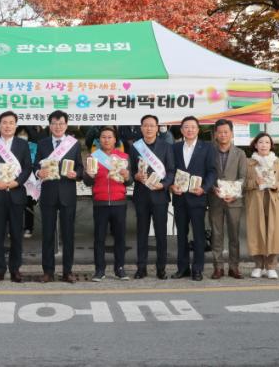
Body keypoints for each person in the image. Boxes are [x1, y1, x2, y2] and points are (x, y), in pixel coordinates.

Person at [0, 111, 32, 283]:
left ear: (16, 126)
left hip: (16, 195)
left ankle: (15, 269)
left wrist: (17, 182)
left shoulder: (22, 144)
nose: (8, 126)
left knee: (17, 234)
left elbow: (28, 167)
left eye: (11, 123)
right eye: (4, 122)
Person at [33, 110, 83, 284]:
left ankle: (67, 271)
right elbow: (35, 165)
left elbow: (80, 168)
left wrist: (76, 174)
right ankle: (48, 271)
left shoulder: (74, 144)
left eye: (61, 123)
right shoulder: (42, 143)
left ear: (66, 125)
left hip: (67, 194)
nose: (58, 126)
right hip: (48, 194)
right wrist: (39, 172)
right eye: (54, 123)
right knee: (47, 234)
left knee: (68, 235)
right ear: (50, 125)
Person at [170, 116, 217, 281]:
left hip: (198, 198)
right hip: (180, 198)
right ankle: (183, 268)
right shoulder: (174, 147)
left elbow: (212, 171)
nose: (189, 130)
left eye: (192, 127)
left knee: (198, 236)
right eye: (186, 127)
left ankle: (198, 269)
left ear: (198, 129)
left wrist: (204, 188)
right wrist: (171, 186)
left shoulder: (207, 147)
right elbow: (170, 170)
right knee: (181, 235)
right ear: (181, 130)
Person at [129, 115, 175, 280]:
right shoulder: (135, 147)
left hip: (160, 196)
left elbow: (171, 171)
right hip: (141, 196)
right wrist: (135, 176)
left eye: (152, 125)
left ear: (157, 128)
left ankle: (161, 268)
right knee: (141, 233)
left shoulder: (166, 146)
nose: (148, 128)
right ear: (141, 128)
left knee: (161, 234)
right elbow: (130, 170)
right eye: (145, 125)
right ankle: (141, 267)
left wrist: (163, 185)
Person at [83, 127, 132, 281]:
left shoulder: (124, 157)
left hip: (119, 202)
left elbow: (129, 181)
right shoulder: (93, 156)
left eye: (109, 137)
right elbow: (87, 182)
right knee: (99, 238)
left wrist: (127, 176)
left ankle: (120, 268)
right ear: (99, 140)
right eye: (103, 137)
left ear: (115, 139)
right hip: (100, 202)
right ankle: (99, 270)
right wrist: (89, 175)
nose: (106, 140)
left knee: (120, 238)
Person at [244, 133, 279, 279]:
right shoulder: (248, 162)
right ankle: (258, 265)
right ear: (255, 145)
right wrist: (254, 183)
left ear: (271, 145)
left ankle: (271, 266)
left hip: (273, 201)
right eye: (260, 142)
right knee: (256, 232)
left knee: (273, 233)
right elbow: (242, 183)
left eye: (267, 142)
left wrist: (277, 185)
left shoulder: (278, 162)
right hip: (255, 201)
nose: (264, 145)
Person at [208, 119, 247, 279]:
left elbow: (243, 177)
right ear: (215, 134)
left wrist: (235, 193)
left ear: (231, 133)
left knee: (234, 235)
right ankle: (218, 267)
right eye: (220, 132)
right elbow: (206, 174)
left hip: (234, 200)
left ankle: (234, 267)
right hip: (215, 198)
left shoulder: (240, 153)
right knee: (216, 234)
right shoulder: (209, 152)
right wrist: (212, 188)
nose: (223, 135)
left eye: (226, 132)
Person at [17, 126, 38, 238]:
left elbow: (36, 160)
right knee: (15, 205)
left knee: (29, 204)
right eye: (20, 133)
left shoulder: (34, 146)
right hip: (15, 178)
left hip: (30, 178)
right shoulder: (12, 145)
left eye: (24, 133)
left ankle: (29, 228)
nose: (22, 136)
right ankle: (15, 228)